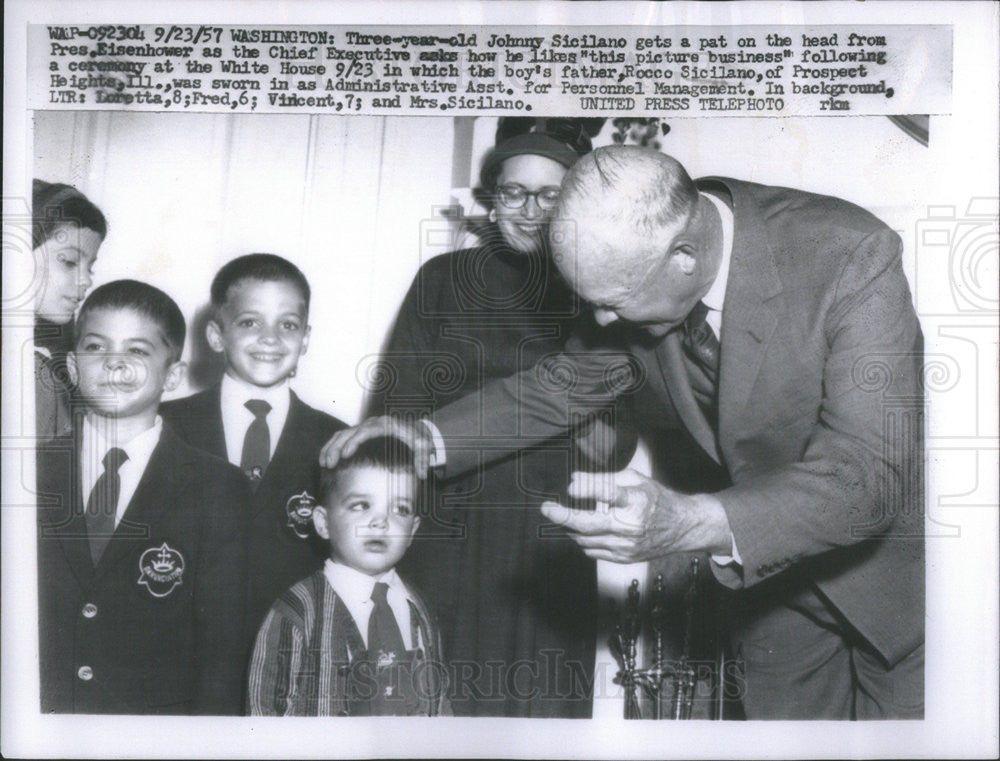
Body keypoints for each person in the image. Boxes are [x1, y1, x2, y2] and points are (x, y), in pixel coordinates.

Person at [323, 146, 925, 720]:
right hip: (769, 588)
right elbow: (568, 380)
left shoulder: (850, 255)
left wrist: (692, 521)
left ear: (684, 257)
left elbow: (867, 472)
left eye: (615, 302)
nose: (603, 322)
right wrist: (430, 437)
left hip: (888, 592)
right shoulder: (637, 256)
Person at [365, 118, 618, 717]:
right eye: (514, 193)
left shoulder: (601, 295)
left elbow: (613, 448)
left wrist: (568, 407)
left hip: (548, 539)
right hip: (444, 532)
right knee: (433, 705)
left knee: (542, 710)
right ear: (491, 200)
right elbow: (393, 423)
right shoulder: (442, 281)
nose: (531, 211)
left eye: (551, 194)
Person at [36, 280, 248, 714]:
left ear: (172, 376)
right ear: (73, 367)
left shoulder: (217, 487)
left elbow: (223, 652)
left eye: (136, 351)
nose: (115, 365)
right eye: (95, 347)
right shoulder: (28, 471)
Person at [160, 254, 347, 641]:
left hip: (291, 653)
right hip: (181, 656)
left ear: (306, 338)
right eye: (249, 322)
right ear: (216, 335)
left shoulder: (337, 441)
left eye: (288, 325)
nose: (270, 338)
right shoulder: (165, 426)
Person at [246, 436, 450, 716]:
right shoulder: (297, 611)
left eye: (400, 509)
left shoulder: (420, 610)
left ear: (413, 530)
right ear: (323, 522)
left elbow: (438, 706)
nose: (381, 522)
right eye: (361, 505)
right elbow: (263, 716)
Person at [31, 179, 107, 439]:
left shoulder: (46, 367)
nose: (86, 280)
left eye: (90, 267)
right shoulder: (28, 376)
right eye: (70, 262)